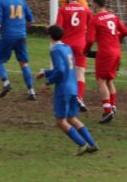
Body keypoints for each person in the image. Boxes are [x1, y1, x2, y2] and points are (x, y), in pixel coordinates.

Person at [36, 25, 98, 155]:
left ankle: (82, 144)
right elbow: (66, 68)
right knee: (72, 118)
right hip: (73, 87)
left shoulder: (55, 50)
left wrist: (48, 82)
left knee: (61, 121)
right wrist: (45, 72)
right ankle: (92, 144)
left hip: (63, 89)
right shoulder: (67, 47)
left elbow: (60, 70)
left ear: (50, 36)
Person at [0, 0, 36, 100]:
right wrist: (22, 29)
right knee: (24, 63)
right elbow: (31, 20)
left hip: (8, 36)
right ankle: (31, 91)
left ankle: (6, 83)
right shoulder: (22, 1)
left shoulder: (0, 2)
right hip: (21, 35)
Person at [86, 0, 127, 124]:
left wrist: (85, 51)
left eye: (92, 4)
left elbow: (89, 40)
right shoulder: (113, 16)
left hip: (105, 53)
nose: (91, 6)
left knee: (101, 81)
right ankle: (113, 106)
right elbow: (125, 31)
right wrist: (116, 38)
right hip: (117, 52)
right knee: (109, 80)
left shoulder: (95, 19)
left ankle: (107, 110)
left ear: (96, 5)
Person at [56, 0, 92, 111]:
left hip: (66, 45)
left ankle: (66, 97)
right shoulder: (86, 10)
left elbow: (58, 28)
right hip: (81, 45)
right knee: (80, 74)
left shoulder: (63, 9)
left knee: (65, 72)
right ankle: (79, 98)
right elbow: (91, 28)